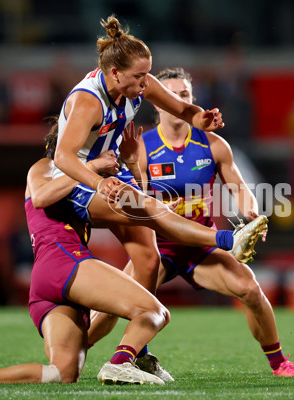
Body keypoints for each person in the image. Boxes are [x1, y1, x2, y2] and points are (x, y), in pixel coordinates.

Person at [88, 67, 294, 378]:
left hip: (200, 247)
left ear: (193, 101)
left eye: (185, 95)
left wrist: (252, 215)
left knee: (250, 289)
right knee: (114, 305)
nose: (178, 100)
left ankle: (280, 364)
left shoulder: (213, 144)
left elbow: (239, 187)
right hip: (156, 247)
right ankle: (73, 354)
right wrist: (157, 201)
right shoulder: (142, 146)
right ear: (158, 101)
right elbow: (129, 198)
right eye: (172, 95)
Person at [0, 139, 170, 386]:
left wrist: (135, 169)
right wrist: (91, 167)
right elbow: (41, 196)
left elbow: (138, 214)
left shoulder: (84, 181)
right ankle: (121, 361)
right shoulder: (46, 166)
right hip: (64, 263)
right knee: (154, 311)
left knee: (62, 373)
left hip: (51, 281)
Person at [52, 15, 267, 295]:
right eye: (139, 77)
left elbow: (185, 111)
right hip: (78, 182)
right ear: (115, 73)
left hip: (110, 175)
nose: (145, 84)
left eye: (147, 74)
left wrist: (204, 119)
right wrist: (99, 182)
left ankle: (132, 336)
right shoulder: (88, 101)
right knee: (156, 209)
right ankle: (228, 240)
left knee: (148, 262)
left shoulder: (139, 83)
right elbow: (63, 158)